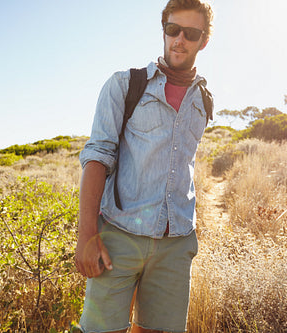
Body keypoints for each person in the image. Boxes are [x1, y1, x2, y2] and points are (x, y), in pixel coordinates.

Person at [75, 0, 213, 332]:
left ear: (204, 40)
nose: (179, 40)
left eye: (190, 33)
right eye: (172, 30)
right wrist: (86, 235)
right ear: (164, 31)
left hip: (176, 242)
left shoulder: (203, 100)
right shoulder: (126, 84)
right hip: (119, 236)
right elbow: (97, 157)